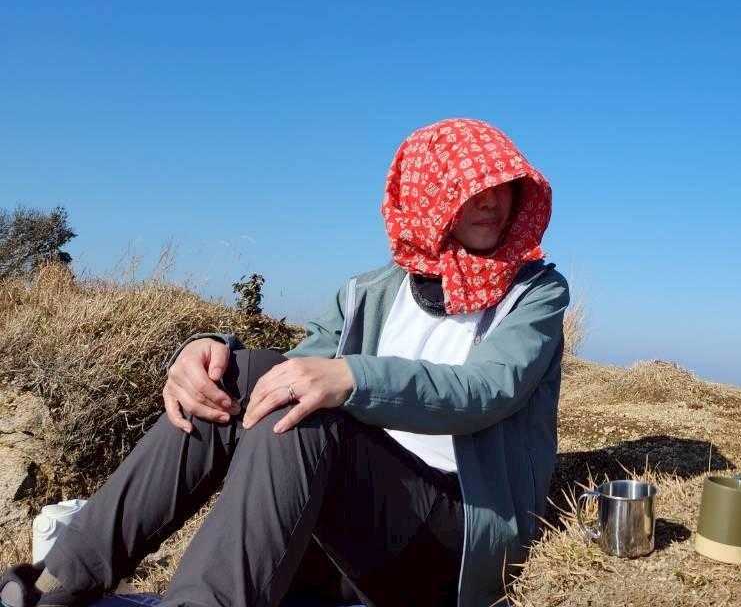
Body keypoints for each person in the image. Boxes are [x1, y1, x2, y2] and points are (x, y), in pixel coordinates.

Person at [1, 118, 570, 607]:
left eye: (501, 186)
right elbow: (289, 371)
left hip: (455, 537)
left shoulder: (535, 292)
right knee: (247, 376)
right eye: (470, 187)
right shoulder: (370, 291)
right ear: (428, 195)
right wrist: (205, 350)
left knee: (313, 413)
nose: (491, 201)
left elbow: (489, 388)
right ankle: (56, 582)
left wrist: (352, 378)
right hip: (354, 523)